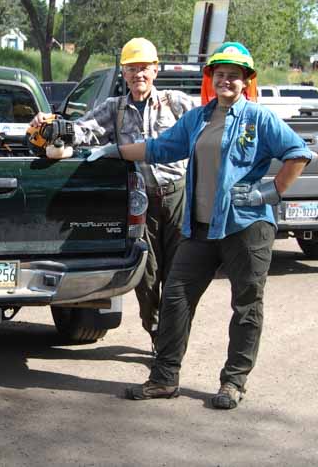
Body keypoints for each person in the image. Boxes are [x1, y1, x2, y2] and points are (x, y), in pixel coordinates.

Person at [87, 42, 314, 409]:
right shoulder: (199, 118)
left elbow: (298, 153)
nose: (226, 80)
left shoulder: (258, 119)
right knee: (176, 297)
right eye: (220, 74)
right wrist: (115, 150)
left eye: (233, 75)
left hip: (247, 227)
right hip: (201, 228)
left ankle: (234, 382)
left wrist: (269, 192)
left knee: (246, 304)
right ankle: (164, 379)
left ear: (245, 81)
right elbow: (161, 148)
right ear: (212, 79)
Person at [31, 37, 195, 348]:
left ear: (156, 71)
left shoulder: (177, 103)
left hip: (177, 197)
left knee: (180, 276)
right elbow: (82, 131)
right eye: (132, 69)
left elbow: (208, 128)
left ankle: (173, 342)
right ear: (124, 74)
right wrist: (52, 125)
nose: (138, 75)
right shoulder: (114, 109)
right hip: (141, 202)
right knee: (146, 277)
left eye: (144, 68)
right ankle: (158, 334)